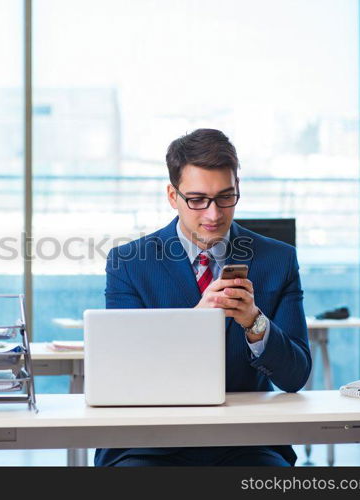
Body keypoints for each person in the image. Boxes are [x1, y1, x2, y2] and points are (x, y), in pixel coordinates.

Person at [96, 128, 312, 467]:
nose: (214, 215)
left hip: (246, 443)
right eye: (197, 200)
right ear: (172, 196)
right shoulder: (128, 263)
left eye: (225, 197)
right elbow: (127, 375)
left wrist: (255, 323)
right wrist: (195, 320)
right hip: (148, 443)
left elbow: (295, 376)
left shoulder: (278, 260)